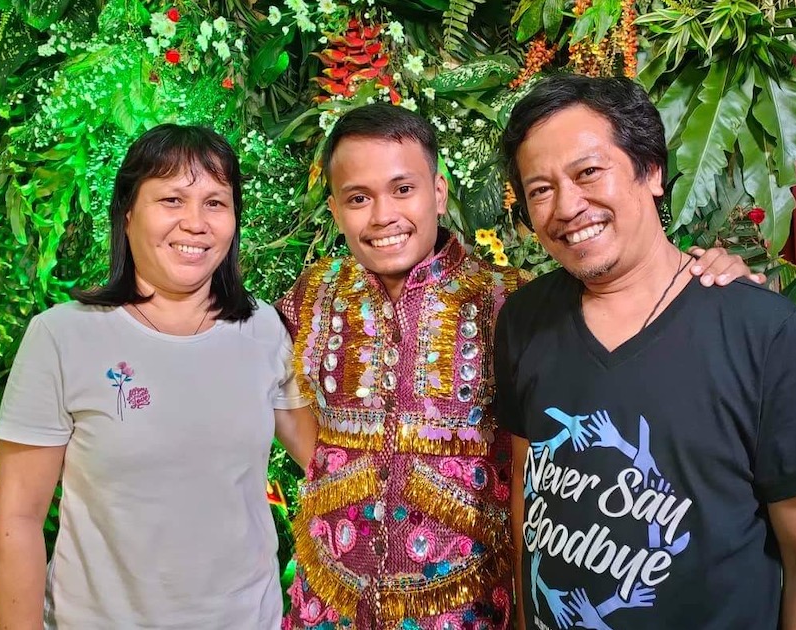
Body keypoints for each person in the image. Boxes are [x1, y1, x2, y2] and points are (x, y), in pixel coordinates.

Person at [276, 103, 758, 630]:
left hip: (469, 604)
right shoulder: (311, 296)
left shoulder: (512, 302)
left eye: (403, 189)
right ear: (335, 207)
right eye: (358, 198)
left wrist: (703, 270)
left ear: (438, 192)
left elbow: (626, 294)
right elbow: (267, 382)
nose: (383, 215)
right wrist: (333, 470)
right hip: (330, 597)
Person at [494, 74, 796, 630]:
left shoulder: (766, 333)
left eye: (589, 172)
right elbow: (528, 495)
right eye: (540, 189)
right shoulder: (522, 320)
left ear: (653, 171)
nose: (567, 206)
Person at [0, 124, 318, 629]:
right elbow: (17, 520)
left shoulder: (263, 329)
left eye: (215, 202)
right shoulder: (62, 337)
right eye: (172, 199)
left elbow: (328, 459)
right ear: (127, 213)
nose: (195, 223)